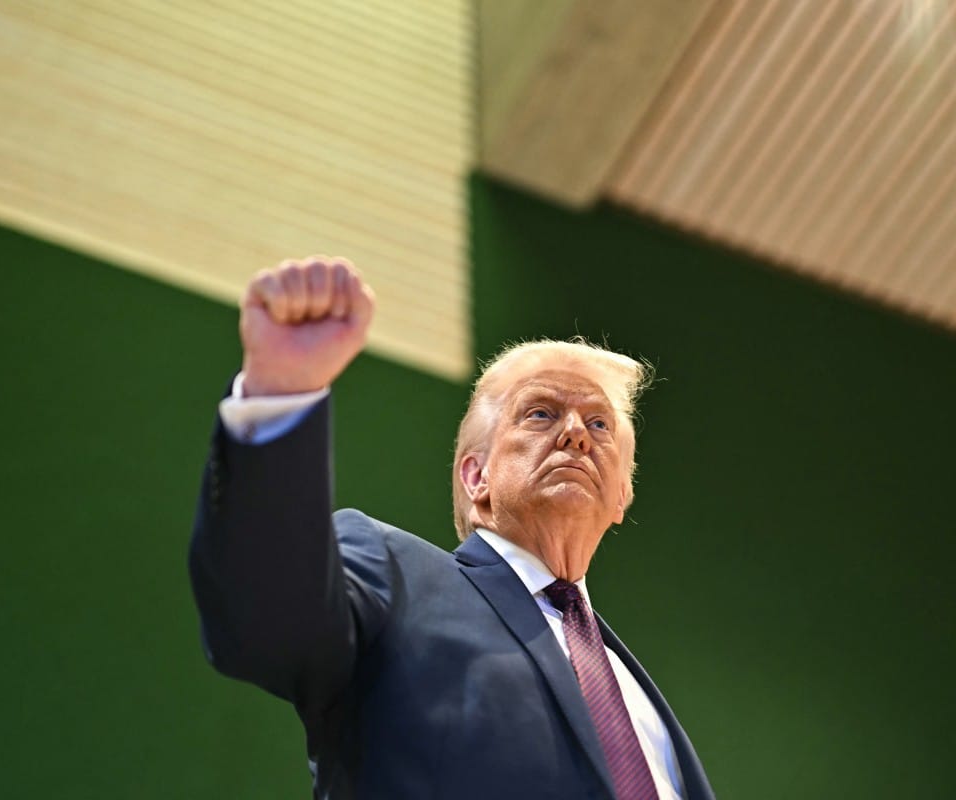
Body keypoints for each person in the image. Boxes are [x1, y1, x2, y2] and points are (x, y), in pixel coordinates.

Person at [189, 256, 715, 799]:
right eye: (541, 413)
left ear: (622, 495)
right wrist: (281, 394)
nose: (577, 434)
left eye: (599, 423)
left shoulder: (637, 693)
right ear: (476, 475)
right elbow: (267, 624)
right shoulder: (395, 576)